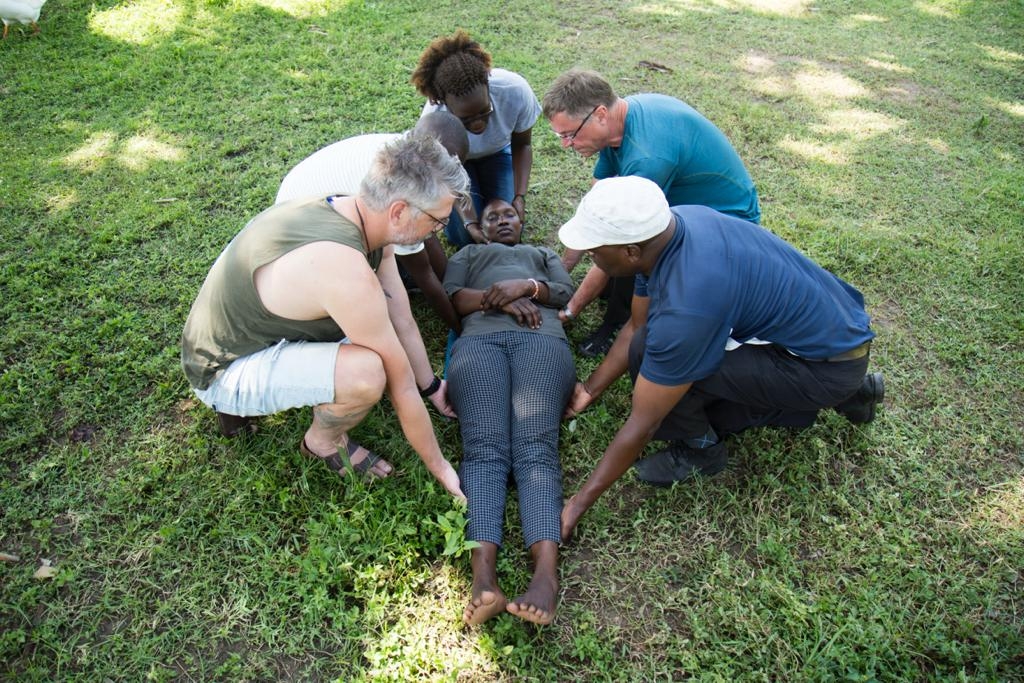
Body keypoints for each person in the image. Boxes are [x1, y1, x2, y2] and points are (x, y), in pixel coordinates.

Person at [556, 177, 884, 540]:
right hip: (836, 334)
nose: (590, 256)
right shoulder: (673, 225)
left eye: (595, 251)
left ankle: (702, 451)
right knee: (649, 345)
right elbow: (637, 325)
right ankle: (855, 392)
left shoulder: (687, 306)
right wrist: (590, 388)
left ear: (631, 252)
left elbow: (644, 422)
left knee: (662, 364)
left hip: (821, 368)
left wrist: (576, 504)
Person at [181, 134, 469, 500]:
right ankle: (322, 441)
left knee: (377, 336)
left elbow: (401, 317)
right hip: (221, 373)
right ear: (398, 211)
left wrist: (431, 387)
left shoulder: (353, 210)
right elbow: (400, 385)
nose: (437, 233)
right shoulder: (346, 271)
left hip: (234, 337)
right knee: (367, 373)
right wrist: (441, 467)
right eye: (438, 222)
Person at [542, 68, 761, 357]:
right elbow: (594, 212)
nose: (565, 144)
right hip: (686, 206)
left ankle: (616, 325)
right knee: (614, 248)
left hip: (728, 227)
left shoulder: (647, 157)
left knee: (628, 252)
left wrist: (569, 311)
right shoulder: (617, 124)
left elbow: (613, 235)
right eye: (560, 135)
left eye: (570, 135)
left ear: (600, 114)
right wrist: (560, 274)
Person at [443, 198, 576, 625]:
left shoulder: (543, 254)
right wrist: (496, 298)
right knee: (483, 450)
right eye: (491, 217)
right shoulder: (467, 254)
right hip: (478, 345)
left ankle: (545, 579)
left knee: (535, 449)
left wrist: (527, 287)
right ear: (478, 228)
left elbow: (566, 294)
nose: (502, 221)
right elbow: (453, 301)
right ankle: (484, 579)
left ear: (522, 221)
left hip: (542, 341)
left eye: (509, 215)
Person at [275, 112, 470, 334]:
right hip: (302, 235)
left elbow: (428, 237)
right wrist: (460, 326)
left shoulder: (406, 154)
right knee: (379, 294)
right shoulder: (404, 196)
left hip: (310, 207)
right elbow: (423, 272)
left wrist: (453, 285)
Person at [412, 30, 542, 248]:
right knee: (464, 237)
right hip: (454, 165)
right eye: (466, 119)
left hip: (498, 154)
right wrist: (470, 222)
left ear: (488, 85)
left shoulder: (515, 90)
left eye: (484, 111)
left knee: (507, 228)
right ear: (444, 103)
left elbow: (523, 144)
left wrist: (519, 196)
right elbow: (445, 175)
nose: (478, 124)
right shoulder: (433, 120)